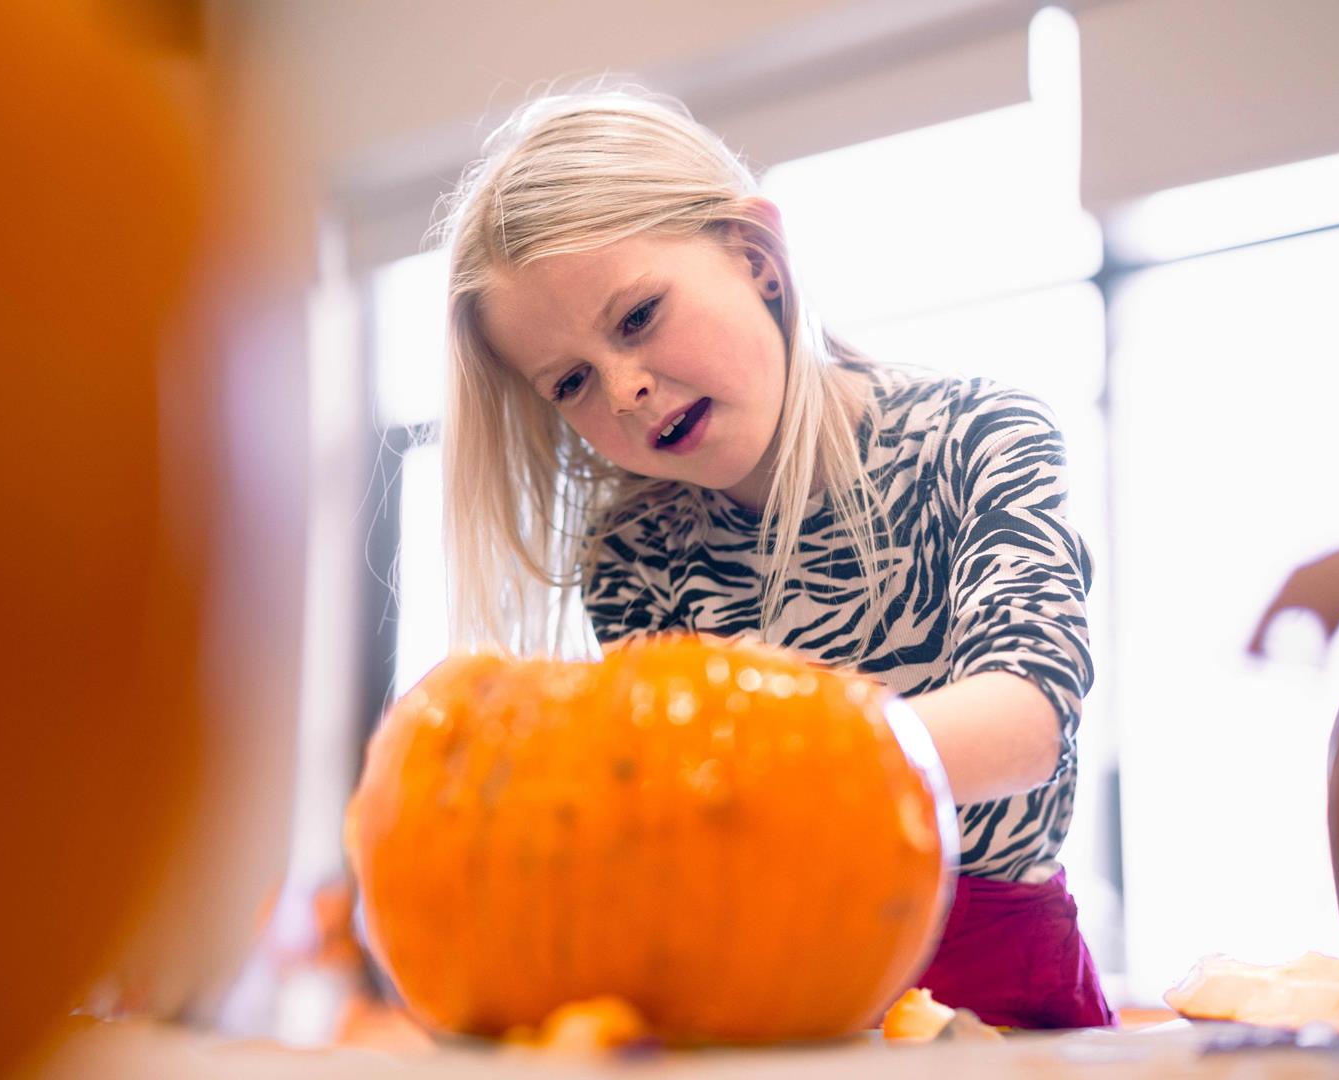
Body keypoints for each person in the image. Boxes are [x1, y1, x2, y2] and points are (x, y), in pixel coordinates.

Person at [433, 88, 1110, 1029]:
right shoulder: (634, 556)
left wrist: (765, 779)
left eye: (637, 319)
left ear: (756, 260)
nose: (624, 389)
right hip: (765, 992)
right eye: (572, 382)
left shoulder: (979, 435)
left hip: (1004, 988)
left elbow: (1025, 720)